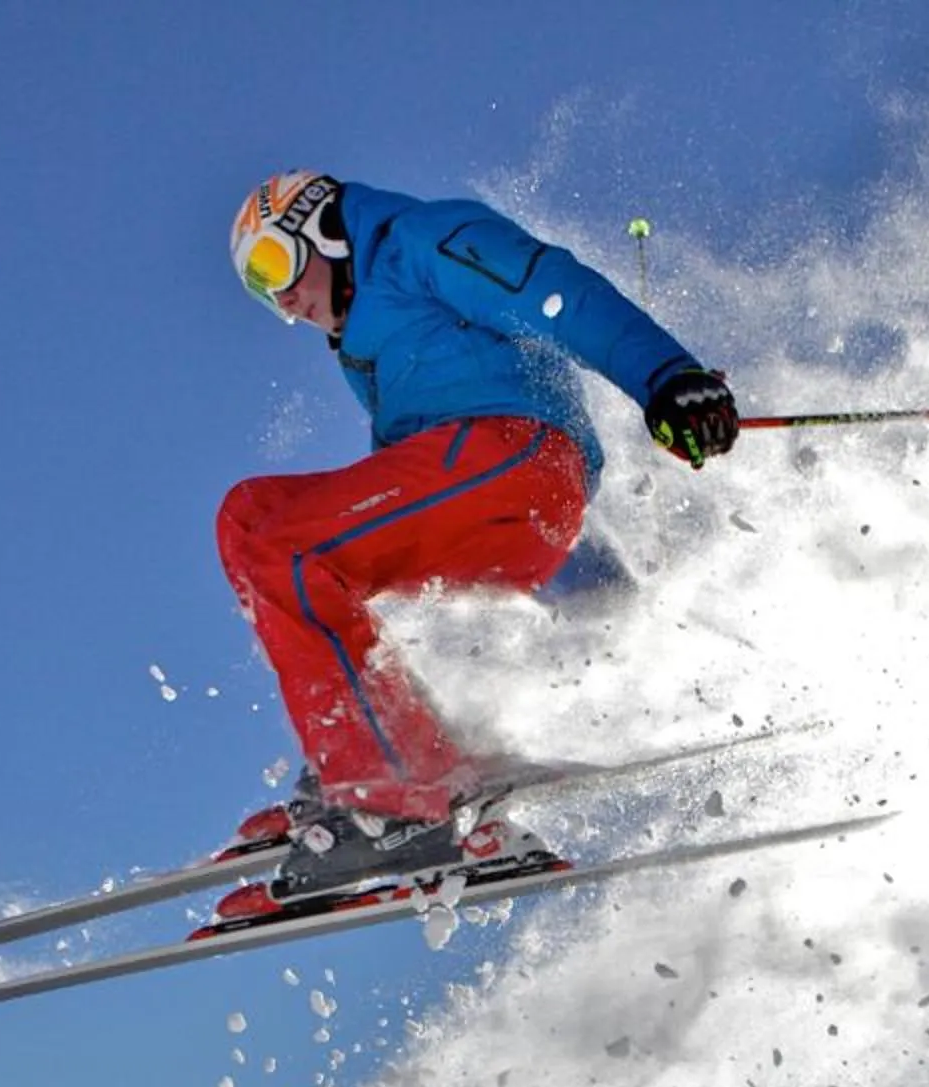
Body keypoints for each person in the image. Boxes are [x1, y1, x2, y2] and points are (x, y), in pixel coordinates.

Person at [212, 170, 739, 916]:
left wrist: (666, 376)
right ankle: (389, 762)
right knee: (251, 516)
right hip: (476, 498)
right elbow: (409, 499)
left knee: (290, 551)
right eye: (261, 294)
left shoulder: (417, 241)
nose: (284, 302)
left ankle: (389, 797)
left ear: (323, 227)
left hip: (515, 457)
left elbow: (552, 292)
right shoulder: (363, 342)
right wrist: (595, 586)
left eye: (274, 266)